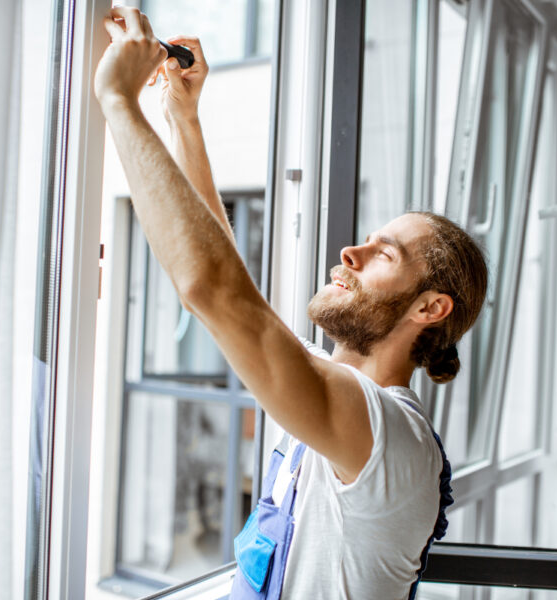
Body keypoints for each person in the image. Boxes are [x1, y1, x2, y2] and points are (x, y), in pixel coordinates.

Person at [94, 7, 488, 599]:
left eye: (385, 254)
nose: (350, 251)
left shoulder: (389, 439)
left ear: (430, 308)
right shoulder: (323, 394)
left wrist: (119, 102)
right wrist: (183, 117)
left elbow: (216, 291)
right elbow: (228, 279)